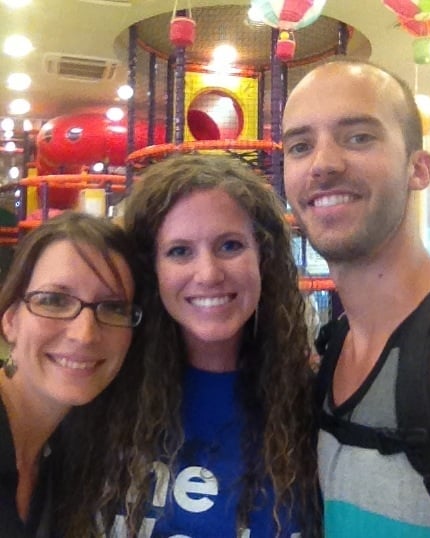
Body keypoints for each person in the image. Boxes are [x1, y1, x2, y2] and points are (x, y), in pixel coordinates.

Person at [60, 153, 321, 538]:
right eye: (179, 251)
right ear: (151, 270)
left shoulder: (314, 402)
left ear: (262, 258)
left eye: (230, 245)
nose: (208, 274)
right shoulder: (96, 389)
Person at [282, 56, 430, 536]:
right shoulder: (332, 349)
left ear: (419, 169)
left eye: (358, 137)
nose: (323, 164)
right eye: (300, 146)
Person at [0, 211, 142, 538]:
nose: (85, 334)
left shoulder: (65, 459)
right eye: (54, 300)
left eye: (113, 307)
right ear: (10, 320)